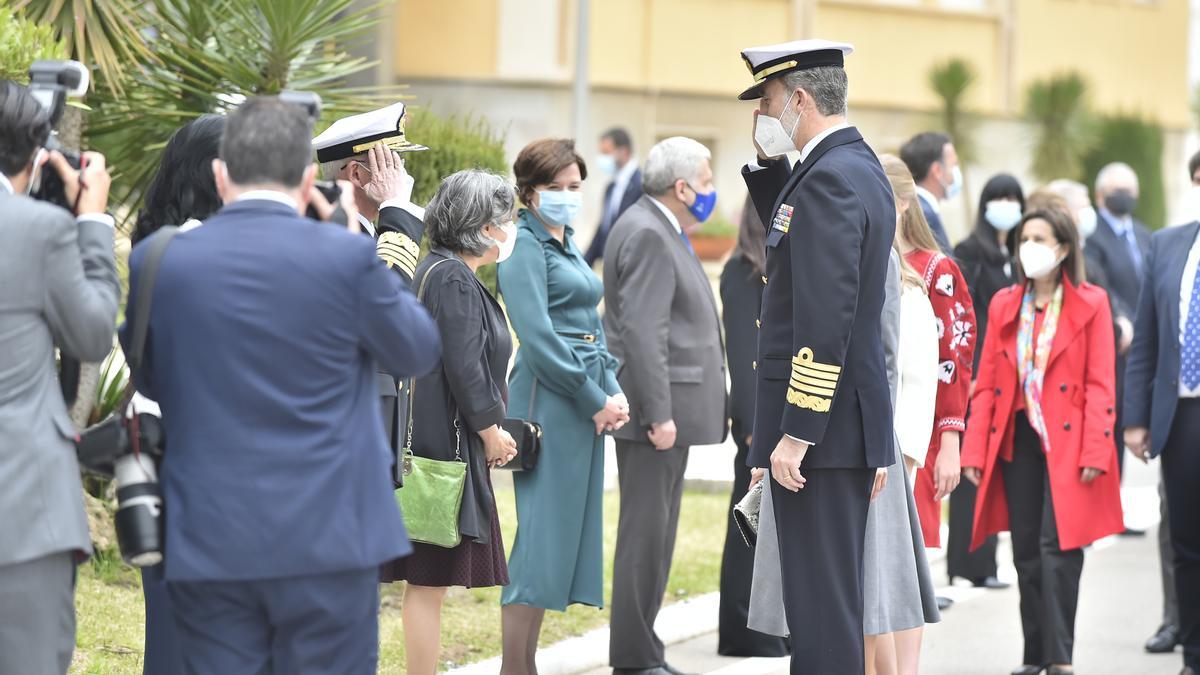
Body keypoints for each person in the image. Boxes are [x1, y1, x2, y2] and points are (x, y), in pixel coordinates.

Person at [120, 97, 441, 674]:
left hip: (213, 530)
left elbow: (149, 378)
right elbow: (414, 349)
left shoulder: (160, 259)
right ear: (308, 177)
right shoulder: (345, 254)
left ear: (223, 174)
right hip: (331, 534)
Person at [739, 39, 896, 674]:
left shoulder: (831, 177)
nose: (762, 116)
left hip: (822, 436)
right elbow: (799, 246)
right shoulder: (848, 167)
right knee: (820, 609)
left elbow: (826, 318)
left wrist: (797, 432)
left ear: (800, 99)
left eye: (769, 102)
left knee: (823, 617)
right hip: (839, 429)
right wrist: (773, 172)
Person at [962, 208, 1124, 675]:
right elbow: (987, 382)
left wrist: (1097, 448)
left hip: (1069, 442)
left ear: (1064, 249)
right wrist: (975, 450)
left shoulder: (1091, 303)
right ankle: (1034, 656)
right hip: (1020, 441)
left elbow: (1100, 385)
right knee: (1027, 553)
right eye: (1023, 238)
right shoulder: (1004, 304)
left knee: (1060, 549)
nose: (1028, 246)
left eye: (1039, 237)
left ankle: (1060, 658)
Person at [0, 80, 120, 675]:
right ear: (35, 154)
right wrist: (92, 222)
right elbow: (93, 333)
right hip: (19, 508)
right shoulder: (37, 230)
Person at [496, 138, 629, 674]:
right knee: (539, 542)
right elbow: (539, 336)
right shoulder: (522, 244)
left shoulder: (566, 240)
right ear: (528, 192)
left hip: (583, 400)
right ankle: (515, 667)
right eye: (555, 188)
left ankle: (524, 665)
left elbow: (590, 327)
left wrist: (611, 387)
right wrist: (594, 397)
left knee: (560, 542)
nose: (568, 197)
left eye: (575, 187)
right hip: (550, 401)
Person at [384, 169, 520, 675]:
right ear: (483, 226)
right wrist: (491, 431)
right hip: (448, 446)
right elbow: (465, 367)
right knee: (428, 580)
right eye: (504, 220)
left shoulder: (438, 270)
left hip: (440, 440)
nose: (509, 230)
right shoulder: (452, 278)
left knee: (427, 581)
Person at [603, 136, 727, 675]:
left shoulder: (656, 225)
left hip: (664, 415)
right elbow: (643, 333)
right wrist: (659, 414)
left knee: (657, 536)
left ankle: (644, 650)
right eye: (704, 181)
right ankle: (634, 658)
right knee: (646, 537)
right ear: (681, 188)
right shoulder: (649, 232)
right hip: (656, 419)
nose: (709, 191)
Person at [130, 114, 226, 675]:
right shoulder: (204, 251)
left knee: (169, 624)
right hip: (207, 456)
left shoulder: (155, 246)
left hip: (164, 451)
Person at [314, 103, 432, 481]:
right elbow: (387, 308)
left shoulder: (364, 230)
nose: (402, 174)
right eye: (392, 163)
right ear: (356, 173)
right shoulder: (334, 231)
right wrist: (397, 208)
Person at [865, 155, 943, 675]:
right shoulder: (883, 265)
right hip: (881, 445)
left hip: (892, 448)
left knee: (883, 583)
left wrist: (904, 453)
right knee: (877, 584)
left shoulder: (910, 280)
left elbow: (912, 373)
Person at [1124, 217, 1200, 675]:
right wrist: (1136, 418)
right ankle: (1194, 657)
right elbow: (1146, 335)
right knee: (1186, 543)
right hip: (1183, 414)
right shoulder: (1168, 244)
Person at [716, 197, 789, 659]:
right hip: (756, 421)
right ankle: (743, 630)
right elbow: (745, 356)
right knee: (748, 521)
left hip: (778, 418)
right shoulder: (742, 271)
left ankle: (769, 625)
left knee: (769, 527)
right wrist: (752, 428)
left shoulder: (776, 267)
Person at [948, 173, 1024, 591]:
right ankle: (967, 562)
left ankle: (988, 563)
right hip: (978, 377)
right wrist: (974, 373)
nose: (1007, 205)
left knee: (995, 471)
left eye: (1014, 198)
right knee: (971, 469)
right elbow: (967, 315)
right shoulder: (969, 253)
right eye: (1000, 197)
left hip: (1012, 380)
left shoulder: (1018, 255)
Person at [899, 167, 976, 566]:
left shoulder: (935, 269)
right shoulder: (873, 259)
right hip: (882, 425)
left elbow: (955, 356)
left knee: (908, 560)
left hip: (922, 430)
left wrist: (950, 439)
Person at [1087, 162, 1150, 482]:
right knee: (1112, 422)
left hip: (1143, 341)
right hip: (1118, 339)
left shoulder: (1144, 234)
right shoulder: (1092, 235)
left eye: (1128, 190)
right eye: (1116, 191)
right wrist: (1125, 319)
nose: (1123, 196)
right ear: (1100, 196)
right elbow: (1101, 285)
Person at [584, 127, 642, 266]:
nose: (602, 158)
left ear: (624, 152)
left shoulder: (642, 185)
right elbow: (604, 228)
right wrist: (583, 264)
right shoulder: (611, 187)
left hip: (631, 265)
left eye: (606, 153)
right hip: (611, 265)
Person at [899, 131, 960, 253]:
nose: (956, 172)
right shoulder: (924, 214)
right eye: (954, 165)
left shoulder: (915, 207)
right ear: (937, 170)